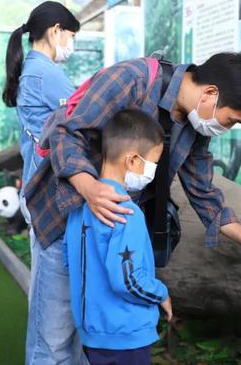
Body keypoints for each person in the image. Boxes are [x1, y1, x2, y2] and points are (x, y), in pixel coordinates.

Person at [25, 52, 241, 363]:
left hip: (114, 231)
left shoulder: (195, 125)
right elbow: (66, 132)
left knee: (91, 340)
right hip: (66, 220)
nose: (227, 129)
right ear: (210, 94)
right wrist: (89, 187)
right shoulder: (131, 79)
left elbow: (203, 191)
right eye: (231, 120)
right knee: (54, 340)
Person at [1, 1, 85, 364]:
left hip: (45, 197)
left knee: (60, 312)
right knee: (51, 326)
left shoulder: (36, 71)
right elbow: (86, 115)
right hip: (49, 201)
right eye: (71, 35)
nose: (71, 43)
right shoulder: (43, 74)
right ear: (55, 30)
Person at [64, 109, 173, 365]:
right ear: (133, 160)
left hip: (92, 333)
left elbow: (68, 262)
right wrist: (161, 293)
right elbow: (128, 280)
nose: (153, 171)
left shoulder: (78, 208)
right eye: (153, 163)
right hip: (125, 334)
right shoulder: (126, 211)